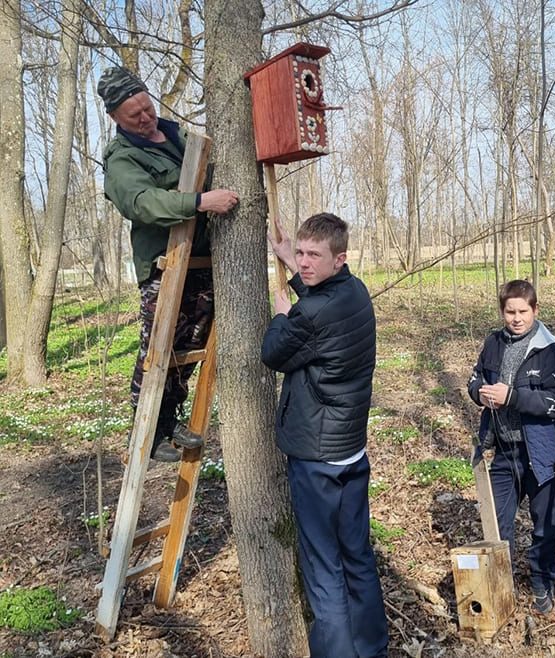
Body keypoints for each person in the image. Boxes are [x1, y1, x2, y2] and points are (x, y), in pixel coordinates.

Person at [261, 213, 389, 658]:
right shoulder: (356, 292)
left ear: (340, 258)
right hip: (350, 450)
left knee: (323, 568)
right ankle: (372, 649)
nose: (304, 262)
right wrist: (293, 268)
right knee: (357, 554)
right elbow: (321, 307)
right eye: (299, 252)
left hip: (317, 458)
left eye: (314, 255)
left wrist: (282, 316)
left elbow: (274, 352)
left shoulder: (309, 314)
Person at [97, 66, 239, 461]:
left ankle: (167, 416)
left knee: (191, 341)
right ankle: (146, 428)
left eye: (147, 107)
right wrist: (199, 202)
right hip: (166, 264)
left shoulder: (178, 135)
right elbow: (141, 203)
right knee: (159, 346)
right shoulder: (122, 159)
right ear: (114, 116)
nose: (146, 117)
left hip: (201, 260)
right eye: (135, 115)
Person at [467, 279, 555, 615]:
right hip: (503, 449)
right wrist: (480, 393)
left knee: (544, 525)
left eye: (523, 312)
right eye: (510, 312)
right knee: (498, 523)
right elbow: (474, 378)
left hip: (541, 453)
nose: (516, 318)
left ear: (535, 310)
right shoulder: (493, 343)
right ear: (502, 311)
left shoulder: (552, 351)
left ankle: (542, 582)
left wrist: (512, 397)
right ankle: (503, 585)